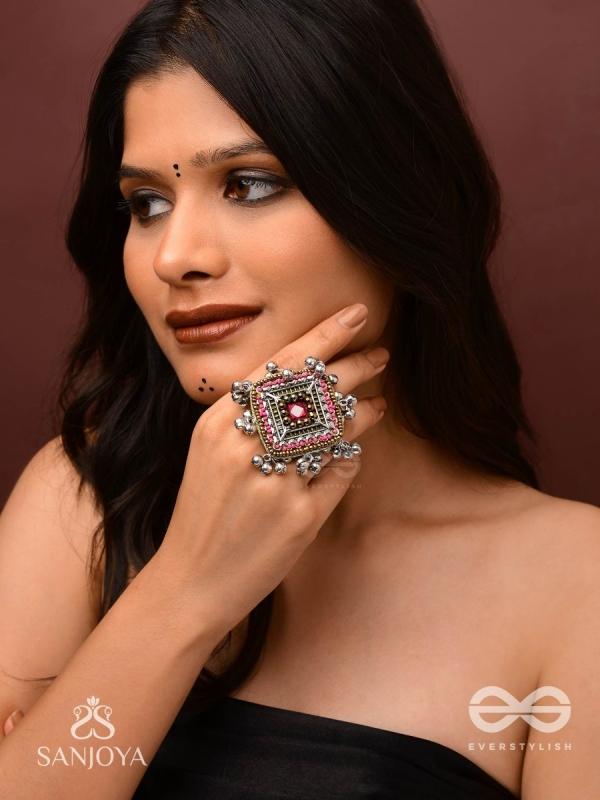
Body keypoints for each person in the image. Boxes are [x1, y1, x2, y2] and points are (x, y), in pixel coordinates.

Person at [0, 0, 598, 797]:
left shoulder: (577, 583)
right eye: (146, 204)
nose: (175, 256)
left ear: (394, 199)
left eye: (248, 184)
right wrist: (187, 591)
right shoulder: (83, 502)